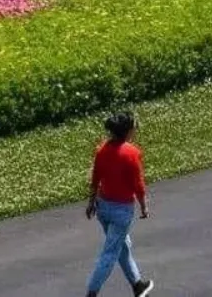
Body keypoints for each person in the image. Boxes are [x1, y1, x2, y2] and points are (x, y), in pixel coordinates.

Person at [84, 111, 154, 297]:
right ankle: (91, 293)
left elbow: (95, 178)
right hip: (121, 211)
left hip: (103, 207)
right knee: (109, 254)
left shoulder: (102, 150)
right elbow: (138, 184)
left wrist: (91, 202)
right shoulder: (131, 153)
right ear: (127, 131)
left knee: (122, 244)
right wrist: (144, 206)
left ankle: (138, 285)